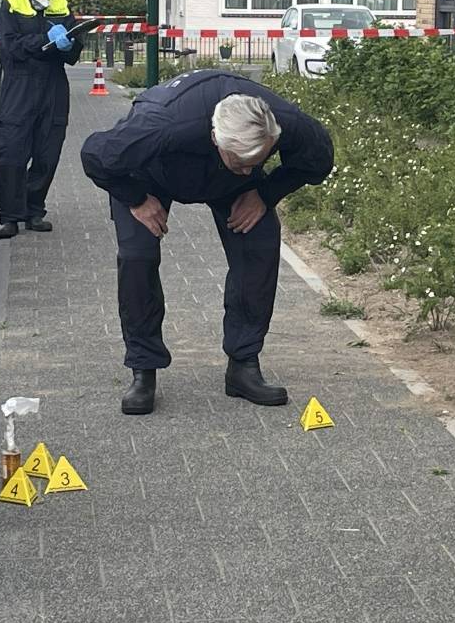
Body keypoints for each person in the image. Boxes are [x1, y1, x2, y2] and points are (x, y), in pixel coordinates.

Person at [81, 70, 334, 415]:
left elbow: (320, 160)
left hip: (224, 183)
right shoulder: (159, 126)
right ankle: (143, 368)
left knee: (259, 243)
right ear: (216, 139)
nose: (248, 170)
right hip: (147, 174)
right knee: (137, 256)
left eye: (256, 162)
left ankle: (243, 364)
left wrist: (264, 192)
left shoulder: (281, 122)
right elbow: (94, 155)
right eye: (241, 163)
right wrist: (136, 199)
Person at [0, 0, 85, 239]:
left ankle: (34, 210)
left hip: (53, 85)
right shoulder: (11, 4)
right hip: (20, 85)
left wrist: (69, 43)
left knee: (48, 152)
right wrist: (44, 41)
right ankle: (10, 216)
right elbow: (8, 49)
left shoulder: (59, 5)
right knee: (12, 153)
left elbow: (73, 53)